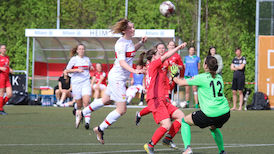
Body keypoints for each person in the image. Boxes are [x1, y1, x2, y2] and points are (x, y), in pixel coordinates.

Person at [80, 18, 147, 144]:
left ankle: (83, 112)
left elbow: (131, 53)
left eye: (133, 27)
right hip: (117, 78)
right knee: (121, 110)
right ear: (124, 30)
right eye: (131, 27)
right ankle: (100, 128)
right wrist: (134, 71)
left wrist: (141, 43)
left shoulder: (129, 41)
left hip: (117, 77)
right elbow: (122, 62)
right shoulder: (121, 44)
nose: (133, 29)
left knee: (106, 100)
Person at [171, 56, 230, 154]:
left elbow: (180, 82)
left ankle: (187, 148)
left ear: (206, 65)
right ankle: (222, 151)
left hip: (210, 113)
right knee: (213, 127)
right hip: (225, 112)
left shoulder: (201, 77)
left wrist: (174, 75)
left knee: (184, 121)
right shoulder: (219, 77)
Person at [139, 42, 187, 154]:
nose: (160, 54)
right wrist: (178, 47)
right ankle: (150, 145)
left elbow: (166, 85)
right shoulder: (153, 64)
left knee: (181, 117)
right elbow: (166, 56)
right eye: (157, 53)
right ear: (153, 57)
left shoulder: (160, 69)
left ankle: (168, 138)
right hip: (155, 100)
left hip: (163, 99)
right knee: (166, 124)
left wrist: (172, 78)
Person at [65, 44, 94, 129]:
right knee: (79, 104)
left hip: (86, 82)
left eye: (83, 49)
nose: (81, 50)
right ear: (77, 51)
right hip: (76, 83)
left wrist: (91, 67)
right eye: (80, 49)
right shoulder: (74, 59)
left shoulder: (87, 59)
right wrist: (76, 70)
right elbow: (66, 70)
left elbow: (89, 66)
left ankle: (87, 122)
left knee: (86, 102)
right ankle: (76, 108)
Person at [0, 44, 12, 115]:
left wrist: (10, 69)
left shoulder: (7, 57)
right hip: (1, 76)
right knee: (1, 93)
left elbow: (7, 66)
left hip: (7, 77)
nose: (4, 49)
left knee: (10, 94)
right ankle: (1, 109)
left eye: (5, 48)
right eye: (2, 48)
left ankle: (0, 106)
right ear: (0, 50)